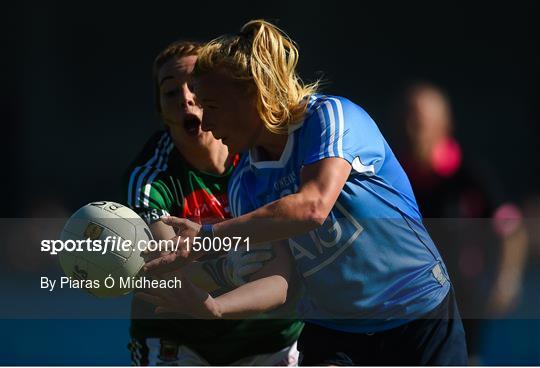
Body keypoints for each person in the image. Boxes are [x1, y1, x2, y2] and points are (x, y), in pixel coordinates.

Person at [138, 20, 468, 365]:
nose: (203, 123)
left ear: (254, 95)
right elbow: (280, 280)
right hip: (335, 332)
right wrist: (215, 307)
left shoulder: (331, 119)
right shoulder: (244, 182)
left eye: (212, 106)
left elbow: (313, 206)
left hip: (418, 315)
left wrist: (209, 234)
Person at [125, 40, 302, 366]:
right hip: (179, 338)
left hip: (269, 338)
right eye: (171, 93)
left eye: (194, 86)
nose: (186, 99)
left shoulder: (262, 154)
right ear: (160, 111)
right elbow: (168, 266)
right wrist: (226, 270)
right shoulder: (152, 178)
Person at [395, 82, 528, 359]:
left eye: (419, 121)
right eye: (407, 118)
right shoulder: (397, 173)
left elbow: (510, 228)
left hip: (463, 297)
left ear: (443, 124)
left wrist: (506, 280)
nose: (411, 128)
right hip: (413, 297)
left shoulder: (470, 174)